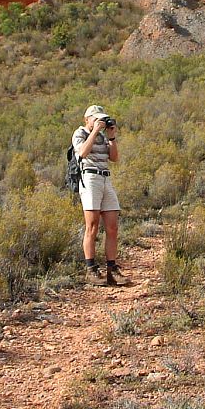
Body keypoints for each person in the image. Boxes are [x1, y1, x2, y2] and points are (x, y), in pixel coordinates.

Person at [72, 104, 127, 285]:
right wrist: (94, 132)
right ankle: (91, 269)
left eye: (101, 119)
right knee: (92, 226)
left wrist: (111, 137)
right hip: (89, 179)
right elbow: (82, 152)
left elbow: (114, 158)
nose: (99, 122)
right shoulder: (80, 133)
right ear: (86, 119)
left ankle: (112, 269)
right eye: (95, 118)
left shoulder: (103, 137)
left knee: (112, 226)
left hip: (105, 178)